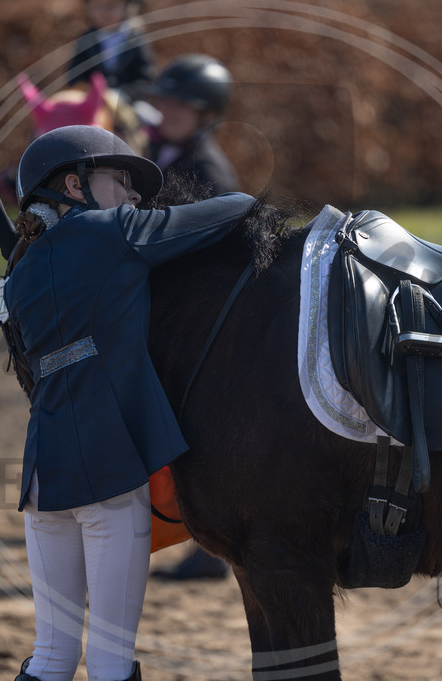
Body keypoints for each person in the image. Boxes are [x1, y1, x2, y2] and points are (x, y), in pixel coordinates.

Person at [1, 125, 255, 681]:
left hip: (42, 480)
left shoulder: (17, 274)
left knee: (51, 656)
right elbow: (230, 209)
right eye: (121, 181)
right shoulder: (110, 232)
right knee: (111, 660)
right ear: (75, 185)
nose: (135, 197)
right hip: (109, 471)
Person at [144, 53, 240, 581]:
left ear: (206, 113)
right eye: (165, 99)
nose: (169, 109)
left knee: (201, 435)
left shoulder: (207, 170)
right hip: (171, 312)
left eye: (183, 104)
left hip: (202, 321)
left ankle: (210, 547)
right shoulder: (161, 152)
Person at [146, 53, 240, 197]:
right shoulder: (150, 146)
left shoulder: (212, 177)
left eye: (180, 104)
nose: (165, 110)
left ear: (208, 115)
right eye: (164, 100)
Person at [65, 0, 155, 103]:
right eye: (98, 6)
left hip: (128, 101)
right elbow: (75, 76)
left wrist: (121, 94)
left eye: (111, 6)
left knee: (149, 117)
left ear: (127, 7)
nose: (105, 12)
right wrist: (91, 93)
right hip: (91, 102)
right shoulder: (85, 40)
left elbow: (145, 78)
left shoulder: (136, 39)